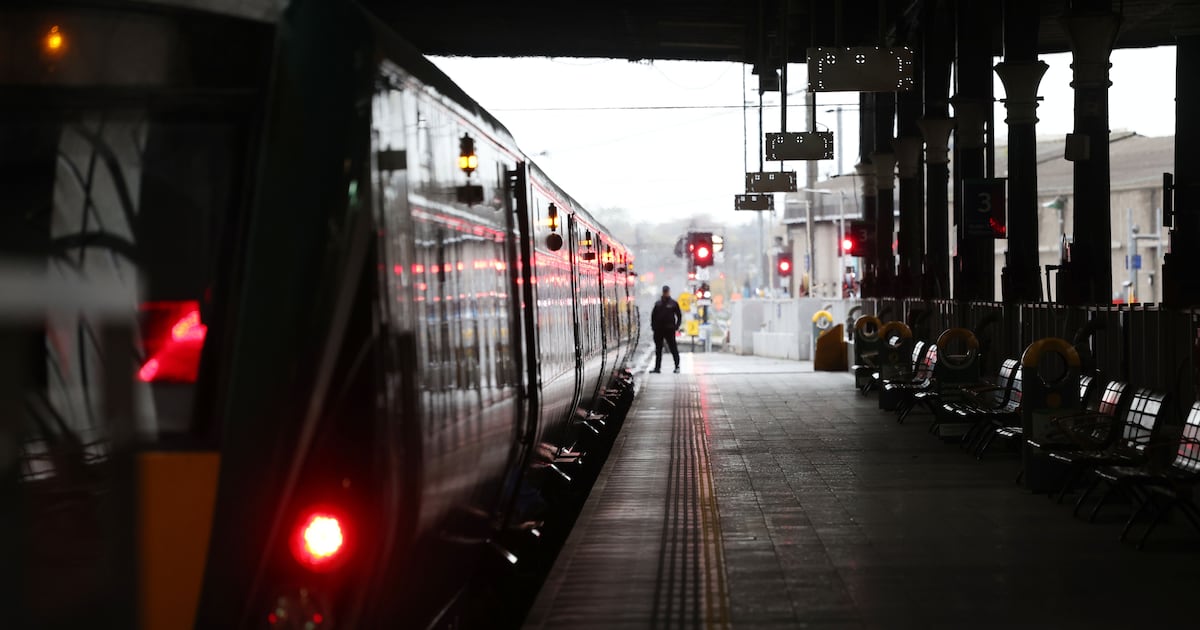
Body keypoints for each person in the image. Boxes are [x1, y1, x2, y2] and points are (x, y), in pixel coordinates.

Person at [650, 285, 682, 373]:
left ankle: (677, 366)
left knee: (673, 348)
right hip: (659, 330)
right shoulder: (658, 304)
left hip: (669, 329)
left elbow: (679, 315)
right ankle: (657, 368)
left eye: (666, 292)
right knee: (658, 350)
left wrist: (676, 326)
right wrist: (653, 327)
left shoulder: (673, 304)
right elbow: (653, 316)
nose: (665, 293)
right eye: (664, 292)